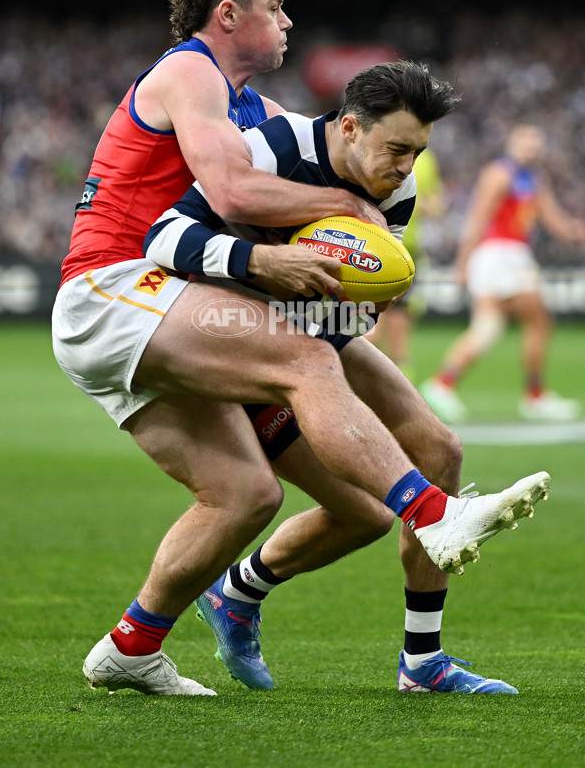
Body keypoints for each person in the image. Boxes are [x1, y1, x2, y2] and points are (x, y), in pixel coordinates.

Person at [143, 62, 550, 695]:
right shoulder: (273, 149)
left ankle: (422, 662)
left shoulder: (396, 194)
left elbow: (352, 314)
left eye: (417, 152)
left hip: (309, 333)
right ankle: (233, 595)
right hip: (221, 335)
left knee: (441, 449)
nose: (406, 167)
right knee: (367, 513)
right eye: (396, 149)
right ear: (351, 127)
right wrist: (265, 262)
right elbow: (163, 236)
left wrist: (351, 303)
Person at [421, 123, 585, 424]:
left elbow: (554, 220)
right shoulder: (500, 174)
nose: (531, 147)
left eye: (536, 142)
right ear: (512, 142)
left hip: (509, 255)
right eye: (526, 140)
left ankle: (441, 384)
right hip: (500, 254)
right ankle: (535, 396)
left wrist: (575, 232)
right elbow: (477, 218)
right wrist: (462, 263)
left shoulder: (534, 179)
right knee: (539, 320)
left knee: (488, 329)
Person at [364, 147, 443, 380]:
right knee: (370, 326)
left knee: (400, 324)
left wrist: (420, 204)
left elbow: (436, 203)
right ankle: (366, 381)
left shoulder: (427, 159)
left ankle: (398, 387)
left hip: (408, 251)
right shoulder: (376, 151)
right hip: (376, 247)